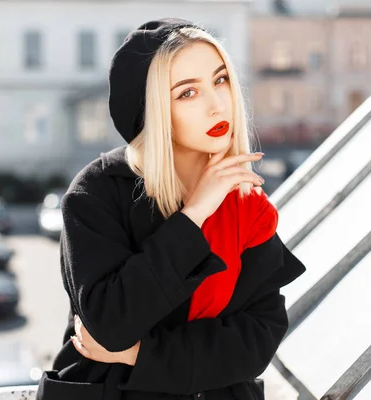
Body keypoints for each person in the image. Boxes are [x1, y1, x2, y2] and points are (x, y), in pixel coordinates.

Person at [36, 18, 306, 400]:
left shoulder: (245, 201)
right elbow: (112, 323)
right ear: (154, 111)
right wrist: (194, 215)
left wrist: (142, 354)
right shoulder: (97, 191)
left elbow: (257, 341)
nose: (216, 104)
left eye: (220, 80)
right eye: (187, 93)